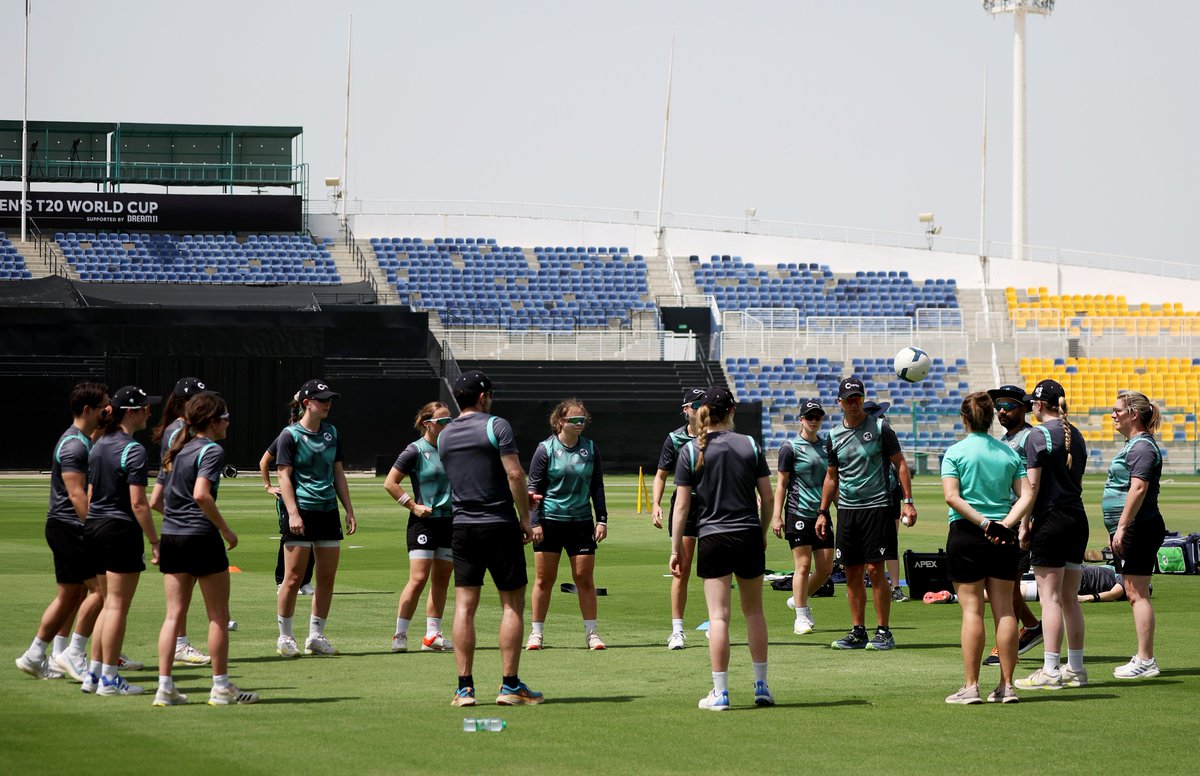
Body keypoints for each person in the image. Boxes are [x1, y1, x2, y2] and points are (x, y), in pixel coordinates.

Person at [437, 369, 543, 707]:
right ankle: (510, 685)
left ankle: (464, 688)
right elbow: (514, 472)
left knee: (464, 607)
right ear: (483, 397)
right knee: (511, 604)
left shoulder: (444, 435)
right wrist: (526, 518)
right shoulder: (496, 425)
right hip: (498, 523)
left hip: (462, 526)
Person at [672, 386, 774, 710]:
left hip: (713, 537)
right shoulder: (750, 445)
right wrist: (762, 530)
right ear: (731, 412)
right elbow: (768, 498)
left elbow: (682, 507)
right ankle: (761, 686)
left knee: (719, 617)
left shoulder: (690, 449)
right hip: (747, 533)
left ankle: (721, 692)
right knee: (754, 612)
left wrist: (676, 548)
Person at [153, 392, 258, 706]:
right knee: (218, 616)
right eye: (225, 418)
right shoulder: (211, 450)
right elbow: (201, 494)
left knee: (173, 616)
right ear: (213, 421)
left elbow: (155, 501)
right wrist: (224, 528)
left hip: (171, 536)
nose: (228, 423)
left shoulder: (175, 450)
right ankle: (221, 687)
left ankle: (164, 688)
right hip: (200, 537)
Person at [941, 392, 1033, 704]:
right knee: (1005, 610)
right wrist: (1005, 524)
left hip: (968, 533)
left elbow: (952, 497)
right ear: (991, 418)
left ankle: (971, 686)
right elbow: (1027, 495)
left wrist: (984, 524)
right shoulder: (1008, 453)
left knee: (971, 611)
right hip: (1003, 537)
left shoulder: (955, 451)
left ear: (964, 418)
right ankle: (1007, 686)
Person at [15, 382, 109, 683]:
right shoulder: (74, 445)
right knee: (100, 592)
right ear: (87, 409)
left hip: (67, 526)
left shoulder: (81, 439)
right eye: (103, 406)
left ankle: (36, 654)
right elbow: (76, 495)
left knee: (72, 594)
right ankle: (72, 653)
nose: (107, 410)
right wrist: (94, 528)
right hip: (69, 527)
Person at [818, 377, 916, 650]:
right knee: (852, 573)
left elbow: (900, 465)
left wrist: (908, 501)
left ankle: (884, 630)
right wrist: (823, 511)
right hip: (848, 511)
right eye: (848, 399)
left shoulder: (881, 428)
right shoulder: (834, 435)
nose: (853, 403)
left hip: (878, 508)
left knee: (875, 570)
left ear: (863, 398)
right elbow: (831, 477)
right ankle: (858, 630)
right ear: (839, 402)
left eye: (857, 398)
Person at [1014, 379, 1090, 691]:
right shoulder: (1078, 435)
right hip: (1077, 518)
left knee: (1051, 599)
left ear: (1038, 405)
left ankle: (1050, 670)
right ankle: (1076, 668)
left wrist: (1023, 525)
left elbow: (1031, 489)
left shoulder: (1037, 434)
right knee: (1070, 598)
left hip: (1051, 519)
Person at [87, 385, 163, 696]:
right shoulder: (132, 449)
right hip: (120, 530)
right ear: (132, 411)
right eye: (146, 408)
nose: (150, 412)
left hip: (95, 527)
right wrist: (155, 541)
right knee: (117, 606)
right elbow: (139, 503)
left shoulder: (98, 444)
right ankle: (108, 678)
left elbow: (91, 495)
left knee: (108, 605)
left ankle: (94, 673)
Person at [274, 379, 357, 658]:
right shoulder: (290, 435)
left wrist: (348, 508)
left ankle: (316, 636)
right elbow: (283, 475)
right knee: (293, 577)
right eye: (322, 399)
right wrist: (293, 512)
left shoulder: (332, 432)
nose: (328, 403)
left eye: (330, 399)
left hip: (327, 511)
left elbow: (338, 473)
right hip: (302, 511)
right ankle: (285, 637)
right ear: (307, 403)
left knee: (327, 577)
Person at [526, 399, 609, 651]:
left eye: (582, 420)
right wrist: (535, 523)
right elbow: (534, 489)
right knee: (544, 580)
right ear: (560, 421)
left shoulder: (591, 449)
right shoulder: (545, 449)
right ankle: (536, 634)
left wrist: (602, 519)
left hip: (581, 522)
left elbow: (597, 486)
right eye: (574, 420)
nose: (579, 424)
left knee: (584, 579)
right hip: (550, 522)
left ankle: (592, 633)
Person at [148, 377, 213, 668]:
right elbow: (168, 486)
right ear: (184, 403)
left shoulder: (178, 430)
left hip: (180, 521)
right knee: (181, 597)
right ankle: (181, 643)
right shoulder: (180, 431)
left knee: (185, 591)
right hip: (188, 522)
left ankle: (177, 648)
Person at [1102, 390, 1166, 679]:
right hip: (1133, 528)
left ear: (1133, 414)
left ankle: (1146, 659)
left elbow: (1138, 488)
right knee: (1132, 592)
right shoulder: (1135, 445)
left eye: (1117, 410)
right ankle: (1144, 657)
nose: (1113, 415)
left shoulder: (1142, 448)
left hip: (1141, 527)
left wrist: (1124, 525)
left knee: (1136, 593)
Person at [384, 401, 455, 653]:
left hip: (450, 522)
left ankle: (432, 635)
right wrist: (413, 506)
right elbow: (391, 483)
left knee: (442, 580)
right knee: (418, 579)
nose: (448, 426)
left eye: (451, 421)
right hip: (423, 524)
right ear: (428, 424)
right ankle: (399, 635)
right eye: (443, 422)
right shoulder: (415, 451)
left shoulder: (453, 450)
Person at [981, 385, 1043, 667]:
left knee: (1009, 584)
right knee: (1008, 583)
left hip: (1019, 519)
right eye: (998, 406)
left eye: (1007, 405)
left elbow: (1034, 483)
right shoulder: (1006, 439)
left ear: (1023, 408)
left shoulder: (1030, 437)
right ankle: (1031, 627)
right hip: (1004, 517)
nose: (1001, 411)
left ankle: (1007, 643)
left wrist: (1025, 522)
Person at [771, 399, 833, 636]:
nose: (814, 421)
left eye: (818, 417)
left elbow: (832, 482)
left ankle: (798, 598)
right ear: (801, 420)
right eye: (809, 417)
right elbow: (782, 484)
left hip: (822, 515)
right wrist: (777, 516)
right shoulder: (790, 447)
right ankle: (801, 615)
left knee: (826, 569)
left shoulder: (827, 447)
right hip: (798, 512)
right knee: (803, 565)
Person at [650, 387, 705, 650]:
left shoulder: (715, 436)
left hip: (714, 505)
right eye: (695, 404)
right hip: (685, 505)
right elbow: (661, 474)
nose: (700, 408)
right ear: (686, 410)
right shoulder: (674, 439)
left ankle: (715, 624)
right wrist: (655, 504)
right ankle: (677, 630)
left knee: (715, 570)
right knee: (681, 570)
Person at [261, 397, 315, 595]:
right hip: (290, 498)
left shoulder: (320, 434)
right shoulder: (289, 434)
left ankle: (305, 582)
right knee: (289, 539)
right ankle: (280, 580)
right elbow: (264, 461)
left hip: (311, 497)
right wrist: (268, 486)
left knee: (312, 538)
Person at [864, 400, 908, 603]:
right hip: (870, 494)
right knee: (867, 541)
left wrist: (907, 498)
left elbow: (898, 464)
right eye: (879, 415)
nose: (883, 418)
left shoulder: (886, 432)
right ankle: (870, 579)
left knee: (890, 541)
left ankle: (896, 586)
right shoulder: (861, 436)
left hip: (890, 492)